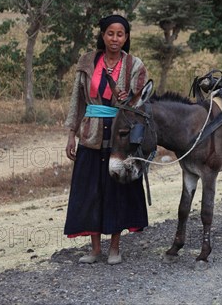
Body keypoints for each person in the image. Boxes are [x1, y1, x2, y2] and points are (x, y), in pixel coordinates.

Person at [64, 14, 149, 265]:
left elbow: (141, 100)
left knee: (116, 191)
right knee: (90, 191)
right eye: (110, 33)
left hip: (119, 137)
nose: (115, 39)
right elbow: (76, 100)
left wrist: (126, 97)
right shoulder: (87, 62)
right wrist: (71, 134)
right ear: (102, 35)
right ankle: (94, 249)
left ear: (126, 37)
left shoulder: (135, 65)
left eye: (120, 34)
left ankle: (114, 247)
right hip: (90, 136)